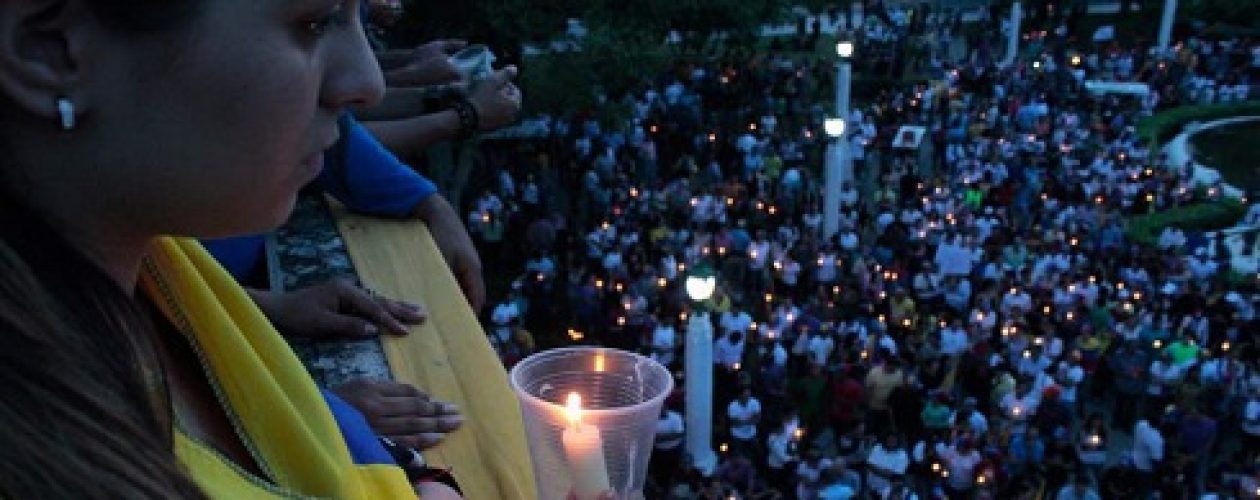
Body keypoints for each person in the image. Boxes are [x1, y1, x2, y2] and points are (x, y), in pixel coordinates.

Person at [0, 0, 478, 497]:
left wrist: (420, 476)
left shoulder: (153, 276)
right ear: (49, 50)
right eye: (313, 23)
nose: (367, 83)